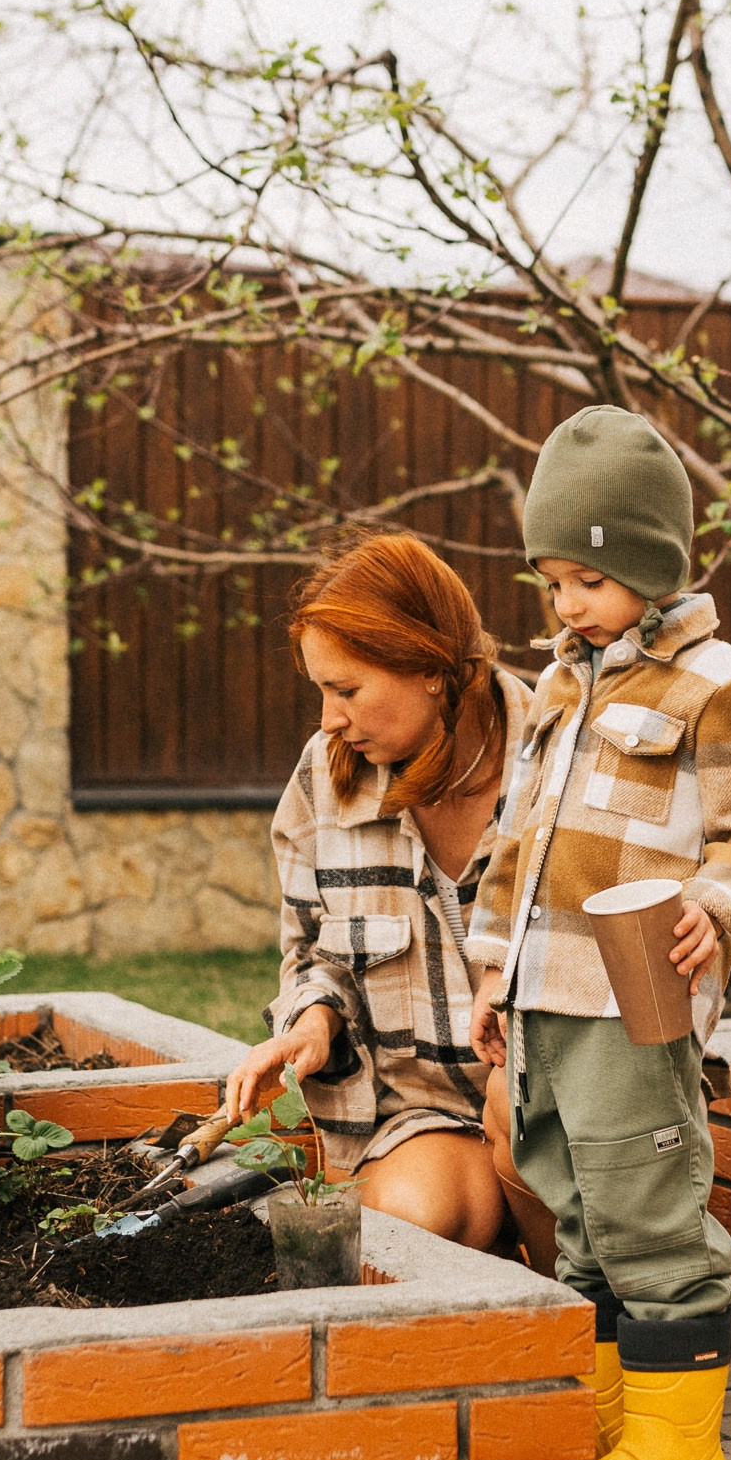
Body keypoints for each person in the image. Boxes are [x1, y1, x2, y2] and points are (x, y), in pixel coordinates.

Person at [467, 406, 731, 1460]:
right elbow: (513, 846)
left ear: (651, 567)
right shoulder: (560, 686)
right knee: (575, 1206)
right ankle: (612, 1422)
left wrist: (716, 907)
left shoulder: (718, 685)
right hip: (543, 993)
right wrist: (491, 974)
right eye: (552, 583)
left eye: (589, 581)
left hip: (632, 996)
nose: (567, 605)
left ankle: (681, 1456)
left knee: (644, 1208)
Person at [226, 533, 553, 1256]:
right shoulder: (325, 777)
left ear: (430, 669)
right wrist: (312, 1023)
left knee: (524, 1122)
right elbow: (314, 952)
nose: (328, 719)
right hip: (424, 1113)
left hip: (559, 1104)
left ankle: (569, 1300)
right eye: (321, 691)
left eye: (346, 691)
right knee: (413, 1221)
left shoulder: (559, 762)